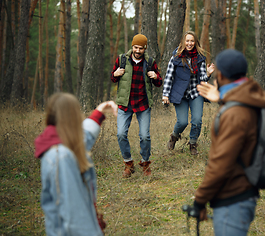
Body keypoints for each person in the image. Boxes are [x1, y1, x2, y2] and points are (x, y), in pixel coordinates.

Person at [193, 49, 265, 235]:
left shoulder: (234, 114)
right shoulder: (248, 100)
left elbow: (221, 164)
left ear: (220, 75)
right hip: (244, 192)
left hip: (233, 197)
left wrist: (200, 200)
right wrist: (222, 99)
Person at [34, 93, 118, 236]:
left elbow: (84, 138)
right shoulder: (61, 158)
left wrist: (99, 113)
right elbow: (75, 215)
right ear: (73, 117)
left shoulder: (61, 142)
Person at [111, 34, 162, 177]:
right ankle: (128, 163)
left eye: (140, 48)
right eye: (135, 47)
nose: (137, 51)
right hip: (125, 103)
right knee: (121, 134)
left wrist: (155, 77)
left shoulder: (150, 62)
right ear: (132, 47)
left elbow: (159, 83)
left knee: (145, 136)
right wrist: (115, 74)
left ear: (145, 48)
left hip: (142, 103)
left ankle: (145, 164)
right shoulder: (122, 60)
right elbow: (112, 78)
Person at [162, 31, 214, 155]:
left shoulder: (200, 57)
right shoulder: (175, 57)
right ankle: (174, 136)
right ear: (183, 42)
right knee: (182, 122)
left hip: (196, 92)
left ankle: (193, 144)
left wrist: (208, 73)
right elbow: (169, 77)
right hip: (180, 94)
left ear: (195, 42)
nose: (189, 43)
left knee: (197, 120)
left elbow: (202, 78)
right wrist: (165, 94)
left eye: (192, 41)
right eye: (187, 41)